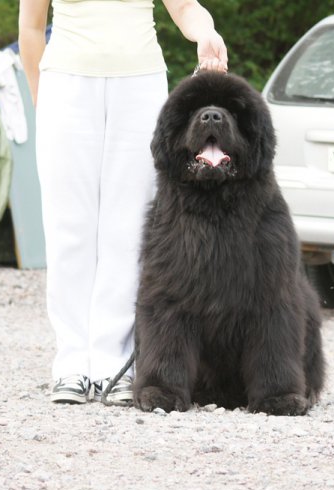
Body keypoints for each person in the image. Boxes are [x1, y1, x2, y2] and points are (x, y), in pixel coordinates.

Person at [18, 0, 228, 405]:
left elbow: (185, 7)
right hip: (65, 84)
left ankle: (115, 362)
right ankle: (72, 363)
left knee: (128, 227)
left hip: (140, 84)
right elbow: (31, 27)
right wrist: (40, 102)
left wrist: (206, 33)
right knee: (69, 227)